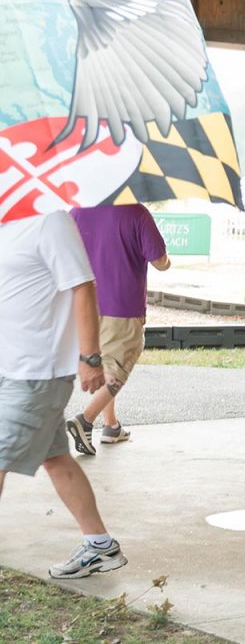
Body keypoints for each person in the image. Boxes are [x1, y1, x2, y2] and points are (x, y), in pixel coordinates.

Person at [0, 211, 127, 579]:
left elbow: (83, 286)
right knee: (56, 459)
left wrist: (90, 356)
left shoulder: (49, 221)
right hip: (10, 368)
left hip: (38, 373)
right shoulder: (7, 227)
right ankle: (100, 545)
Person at [65, 205, 171, 456]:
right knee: (119, 367)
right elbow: (160, 261)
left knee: (103, 364)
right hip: (122, 304)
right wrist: (167, 260)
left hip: (84, 304)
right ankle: (85, 420)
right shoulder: (136, 213)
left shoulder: (77, 212)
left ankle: (111, 426)